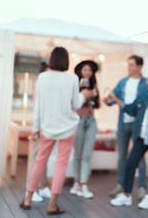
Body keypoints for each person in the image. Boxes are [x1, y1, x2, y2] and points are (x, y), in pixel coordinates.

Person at [19, 47, 94, 215]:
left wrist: (35, 128)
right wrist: (85, 95)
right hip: (68, 127)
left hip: (47, 127)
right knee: (61, 165)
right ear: (66, 60)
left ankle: (27, 199)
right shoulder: (72, 79)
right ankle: (52, 205)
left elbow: (37, 105)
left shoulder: (42, 77)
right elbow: (76, 104)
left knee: (40, 161)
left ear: (52, 59)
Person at [111, 69, 148, 209]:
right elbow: (131, 109)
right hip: (141, 137)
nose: (147, 82)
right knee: (130, 164)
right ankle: (126, 195)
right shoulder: (144, 95)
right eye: (147, 79)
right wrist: (118, 101)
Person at [104, 55, 148, 199]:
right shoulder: (123, 81)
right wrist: (108, 100)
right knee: (122, 157)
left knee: (139, 158)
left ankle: (141, 187)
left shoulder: (146, 83)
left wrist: (117, 100)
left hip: (138, 125)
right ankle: (121, 185)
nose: (128, 67)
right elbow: (112, 98)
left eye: (131, 65)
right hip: (122, 124)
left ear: (139, 66)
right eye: (128, 64)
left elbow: (140, 105)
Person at [69, 60, 100, 199]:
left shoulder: (94, 86)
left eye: (90, 70)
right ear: (80, 71)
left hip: (91, 120)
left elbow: (97, 105)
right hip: (78, 121)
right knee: (78, 155)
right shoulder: (74, 86)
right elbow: (73, 104)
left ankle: (83, 184)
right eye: (85, 70)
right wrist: (83, 94)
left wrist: (94, 95)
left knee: (87, 154)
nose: (87, 72)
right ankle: (76, 182)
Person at [25, 62, 51, 202]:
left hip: (48, 126)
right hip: (40, 125)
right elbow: (37, 109)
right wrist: (36, 129)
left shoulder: (49, 87)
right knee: (36, 159)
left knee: (44, 158)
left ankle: (42, 186)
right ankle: (30, 189)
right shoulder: (39, 86)